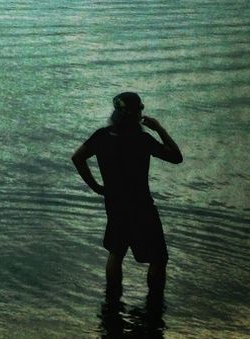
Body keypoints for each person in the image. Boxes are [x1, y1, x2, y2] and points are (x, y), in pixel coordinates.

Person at [72, 91, 182, 299]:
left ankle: (112, 301)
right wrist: (159, 129)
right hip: (141, 206)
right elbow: (176, 157)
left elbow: (77, 158)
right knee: (158, 258)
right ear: (135, 114)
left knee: (116, 252)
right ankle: (155, 303)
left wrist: (96, 186)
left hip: (114, 204)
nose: (142, 110)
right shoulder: (142, 139)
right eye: (140, 107)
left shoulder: (101, 136)